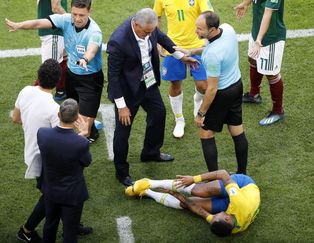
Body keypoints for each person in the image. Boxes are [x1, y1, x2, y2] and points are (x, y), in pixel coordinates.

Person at [107, 8, 199, 186]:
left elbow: (163, 39)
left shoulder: (150, 26)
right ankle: (121, 171)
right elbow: (113, 76)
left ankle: (150, 152)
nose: (149, 35)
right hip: (127, 91)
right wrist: (121, 106)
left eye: (151, 31)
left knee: (159, 113)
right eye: (146, 32)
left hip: (147, 82)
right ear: (135, 24)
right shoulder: (118, 41)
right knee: (123, 131)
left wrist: (182, 57)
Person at [6, 0, 103, 143]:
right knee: (75, 113)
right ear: (70, 10)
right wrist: (19, 25)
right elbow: (39, 23)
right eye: (74, 14)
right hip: (71, 75)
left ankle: (88, 137)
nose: (77, 18)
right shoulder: (65, 19)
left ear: (90, 12)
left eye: (81, 15)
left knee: (84, 128)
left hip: (90, 80)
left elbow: (92, 49)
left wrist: (85, 60)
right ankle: (92, 130)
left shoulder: (94, 31)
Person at [178, 11, 248, 173]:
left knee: (206, 134)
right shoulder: (228, 29)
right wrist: (193, 51)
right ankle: (242, 173)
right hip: (236, 86)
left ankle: (214, 177)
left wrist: (201, 113)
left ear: (213, 29)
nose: (196, 31)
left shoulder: (212, 56)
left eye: (200, 29)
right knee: (237, 129)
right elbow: (212, 44)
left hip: (222, 93)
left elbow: (211, 89)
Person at [12, 59, 61, 242]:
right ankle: (26, 230)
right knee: (50, 196)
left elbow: (16, 118)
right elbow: (60, 143)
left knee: (53, 193)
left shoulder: (25, 91)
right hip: (45, 161)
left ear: (38, 76)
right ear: (57, 83)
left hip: (31, 153)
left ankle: (74, 223)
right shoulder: (54, 109)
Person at [126, 169, 260, 236]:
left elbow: (200, 211)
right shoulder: (237, 205)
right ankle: (150, 182)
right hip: (244, 186)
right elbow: (223, 174)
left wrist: (180, 197)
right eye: (216, 215)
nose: (214, 214)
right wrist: (194, 179)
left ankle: (147, 192)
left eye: (214, 216)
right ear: (227, 217)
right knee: (199, 191)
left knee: (184, 205)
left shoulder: (225, 224)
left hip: (234, 205)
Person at [153, 0, 213, 138]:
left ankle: (197, 100)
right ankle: (179, 120)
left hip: (197, 46)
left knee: (203, 86)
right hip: (172, 47)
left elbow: (209, 15)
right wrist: (159, 41)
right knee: (175, 84)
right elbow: (157, 17)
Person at [37, 99, 92, 243]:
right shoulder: (81, 143)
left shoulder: (42, 134)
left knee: (50, 224)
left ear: (58, 115)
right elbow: (86, 161)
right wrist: (83, 135)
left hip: (50, 190)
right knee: (69, 231)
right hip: (72, 194)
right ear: (76, 118)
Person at [235, 0, 286, 126]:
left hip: (271, 38)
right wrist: (246, 3)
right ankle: (254, 94)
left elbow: (268, 13)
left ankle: (278, 110)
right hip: (257, 31)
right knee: (253, 60)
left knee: (271, 74)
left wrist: (259, 40)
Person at [36, 0, 68, 101]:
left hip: (50, 29)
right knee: (48, 71)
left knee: (63, 58)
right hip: (54, 31)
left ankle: (61, 91)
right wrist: (72, 21)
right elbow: (56, 7)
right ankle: (34, 98)